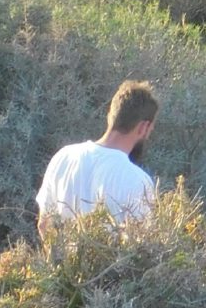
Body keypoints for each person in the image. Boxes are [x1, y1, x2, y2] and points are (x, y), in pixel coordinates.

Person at [34, 80, 160, 232]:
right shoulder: (139, 181)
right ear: (144, 127)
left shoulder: (63, 156)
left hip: (60, 255)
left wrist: (56, 255)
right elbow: (141, 244)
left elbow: (44, 224)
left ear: (111, 116)